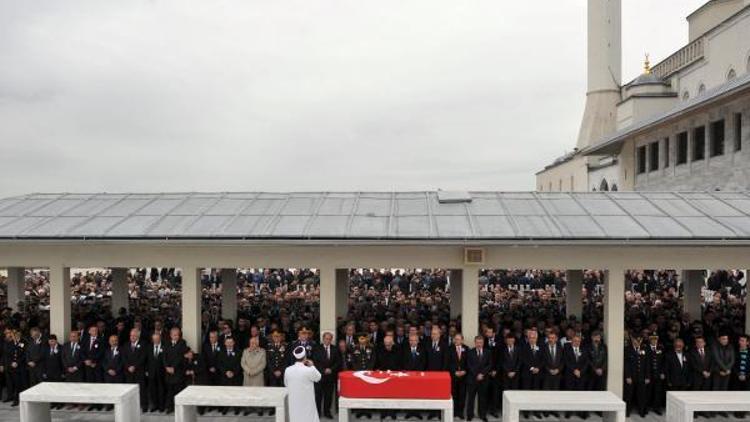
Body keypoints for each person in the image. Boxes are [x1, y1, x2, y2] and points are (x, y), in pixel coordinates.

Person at [285, 345, 321, 422]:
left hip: (294, 400)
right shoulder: (308, 370)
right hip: (307, 401)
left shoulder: (288, 370)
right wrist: (312, 366)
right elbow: (318, 377)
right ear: (305, 356)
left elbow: (286, 384)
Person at [313, 331, 340, 419]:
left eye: (329, 339)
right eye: (326, 339)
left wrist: (331, 369)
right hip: (319, 376)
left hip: (330, 377)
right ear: (323, 339)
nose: (328, 340)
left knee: (328, 396)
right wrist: (323, 370)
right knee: (318, 396)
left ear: (331, 339)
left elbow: (337, 362)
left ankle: (327, 412)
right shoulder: (317, 348)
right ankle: (318, 412)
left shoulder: (335, 349)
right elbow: (315, 362)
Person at [624, 334, 650, 418]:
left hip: (641, 377)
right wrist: (627, 376)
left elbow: (647, 364)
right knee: (629, 395)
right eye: (635, 340)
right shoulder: (627, 349)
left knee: (642, 396)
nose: (637, 342)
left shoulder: (645, 349)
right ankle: (627, 412)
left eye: (639, 340)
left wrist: (647, 377)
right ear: (632, 340)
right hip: (631, 377)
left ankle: (642, 411)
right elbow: (626, 364)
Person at [466, 335, 491, 422]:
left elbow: (489, 365)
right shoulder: (470, 352)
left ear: (483, 343)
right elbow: (469, 365)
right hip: (472, 379)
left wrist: (482, 374)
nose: (479, 344)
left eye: (481, 342)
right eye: (477, 342)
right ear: (475, 342)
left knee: (482, 398)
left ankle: (482, 415)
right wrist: (477, 374)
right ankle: (470, 415)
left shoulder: (488, 352)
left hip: (483, 379)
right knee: (471, 398)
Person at [123, 328, 148, 413]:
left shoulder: (144, 344)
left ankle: (144, 405)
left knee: (141, 389)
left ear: (138, 336)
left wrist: (135, 366)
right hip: (129, 371)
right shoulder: (126, 345)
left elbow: (143, 357)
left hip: (139, 370)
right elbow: (124, 358)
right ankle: (130, 405)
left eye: (134, 335)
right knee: (130, 389)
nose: (132, 337)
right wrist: (129, 366)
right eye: (131, 335)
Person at [241, 336, 267, 415]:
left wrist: (254, 372)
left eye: (255, 343)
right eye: (252, 343)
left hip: (258, 376)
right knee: (248, 393)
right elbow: (242, 363)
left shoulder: (262, 351)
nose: (253, 344)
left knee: (258, 393)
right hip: (247, 376)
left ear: (258, 343)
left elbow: (263, 364)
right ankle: (248, 409)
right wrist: (248, 371)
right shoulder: (245, 351)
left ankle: (259, 409)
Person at [218, 337, 242, 415]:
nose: (229, 344)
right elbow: (219, 364)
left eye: (230, 342)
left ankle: (236, 408)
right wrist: (226, 372)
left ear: (233, 343)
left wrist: (233, 372)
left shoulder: (239, 351)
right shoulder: (221, 352)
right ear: (225, 343)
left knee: (236, 393)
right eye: (227, 342)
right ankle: (226, 407)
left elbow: (240, 364)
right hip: (225, 376)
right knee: (225, 393)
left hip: (236, 376)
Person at [448, 333, 468, 420]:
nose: (457, 341)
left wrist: (465, 371)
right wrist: (454, 372)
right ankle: (454, 412)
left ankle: (460, 413)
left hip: (464, 377)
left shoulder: (467, 349)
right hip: (454, 376)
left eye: (458, 339)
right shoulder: (449, 349)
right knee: (454, 395)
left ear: (462, 340)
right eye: (455, 339)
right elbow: (448, 362)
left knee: (462, 396)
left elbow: (469, 362)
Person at [146, 332, 165, 413]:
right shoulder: (149, 347)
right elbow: (146, 360)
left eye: (157, 339)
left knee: (161, 389)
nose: (156, 340)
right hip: (151, 372)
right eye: (154, 339)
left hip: (161, 372)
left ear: (160, 338)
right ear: (152, 339)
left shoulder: (165, 346)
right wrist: (146, 370)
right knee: (152, 390)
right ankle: (155, 405)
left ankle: (161, 406)